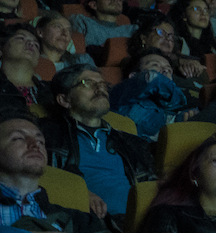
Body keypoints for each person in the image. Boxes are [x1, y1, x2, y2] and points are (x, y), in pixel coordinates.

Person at [37, 64, 155, 220]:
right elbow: (30, 173)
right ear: (64, 100)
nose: (100, 89)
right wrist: (77, 192)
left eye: (102, 84)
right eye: (87, 83)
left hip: (145, 218)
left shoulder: (131, 142)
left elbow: (152, 183)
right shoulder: (45, 133)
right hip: (93, 221)